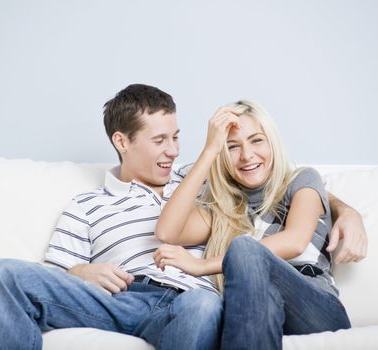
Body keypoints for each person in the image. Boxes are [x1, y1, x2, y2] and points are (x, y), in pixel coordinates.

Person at [0, 86, 366, 350]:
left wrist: (346, 210)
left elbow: (277, 181)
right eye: (160, 141)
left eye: (177, 137)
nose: (173, 151)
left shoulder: (202, 180)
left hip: (187, 300)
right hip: (116, 297)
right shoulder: (85, 205)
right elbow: (54, 275)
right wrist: (79, 272)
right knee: (1, 272)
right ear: (122, 142)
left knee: (205, 307)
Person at [154, 100, 361, 349]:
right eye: (232, 146)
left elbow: (295, 241)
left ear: (271, 142)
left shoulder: (302, 181)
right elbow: (167, 231)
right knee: (261, 300)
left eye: (256, 140)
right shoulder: (220, 208)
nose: (247, 155)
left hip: (317, 308)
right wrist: (209, 151)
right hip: (256, 308)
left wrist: (203, 266)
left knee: (244, 248)